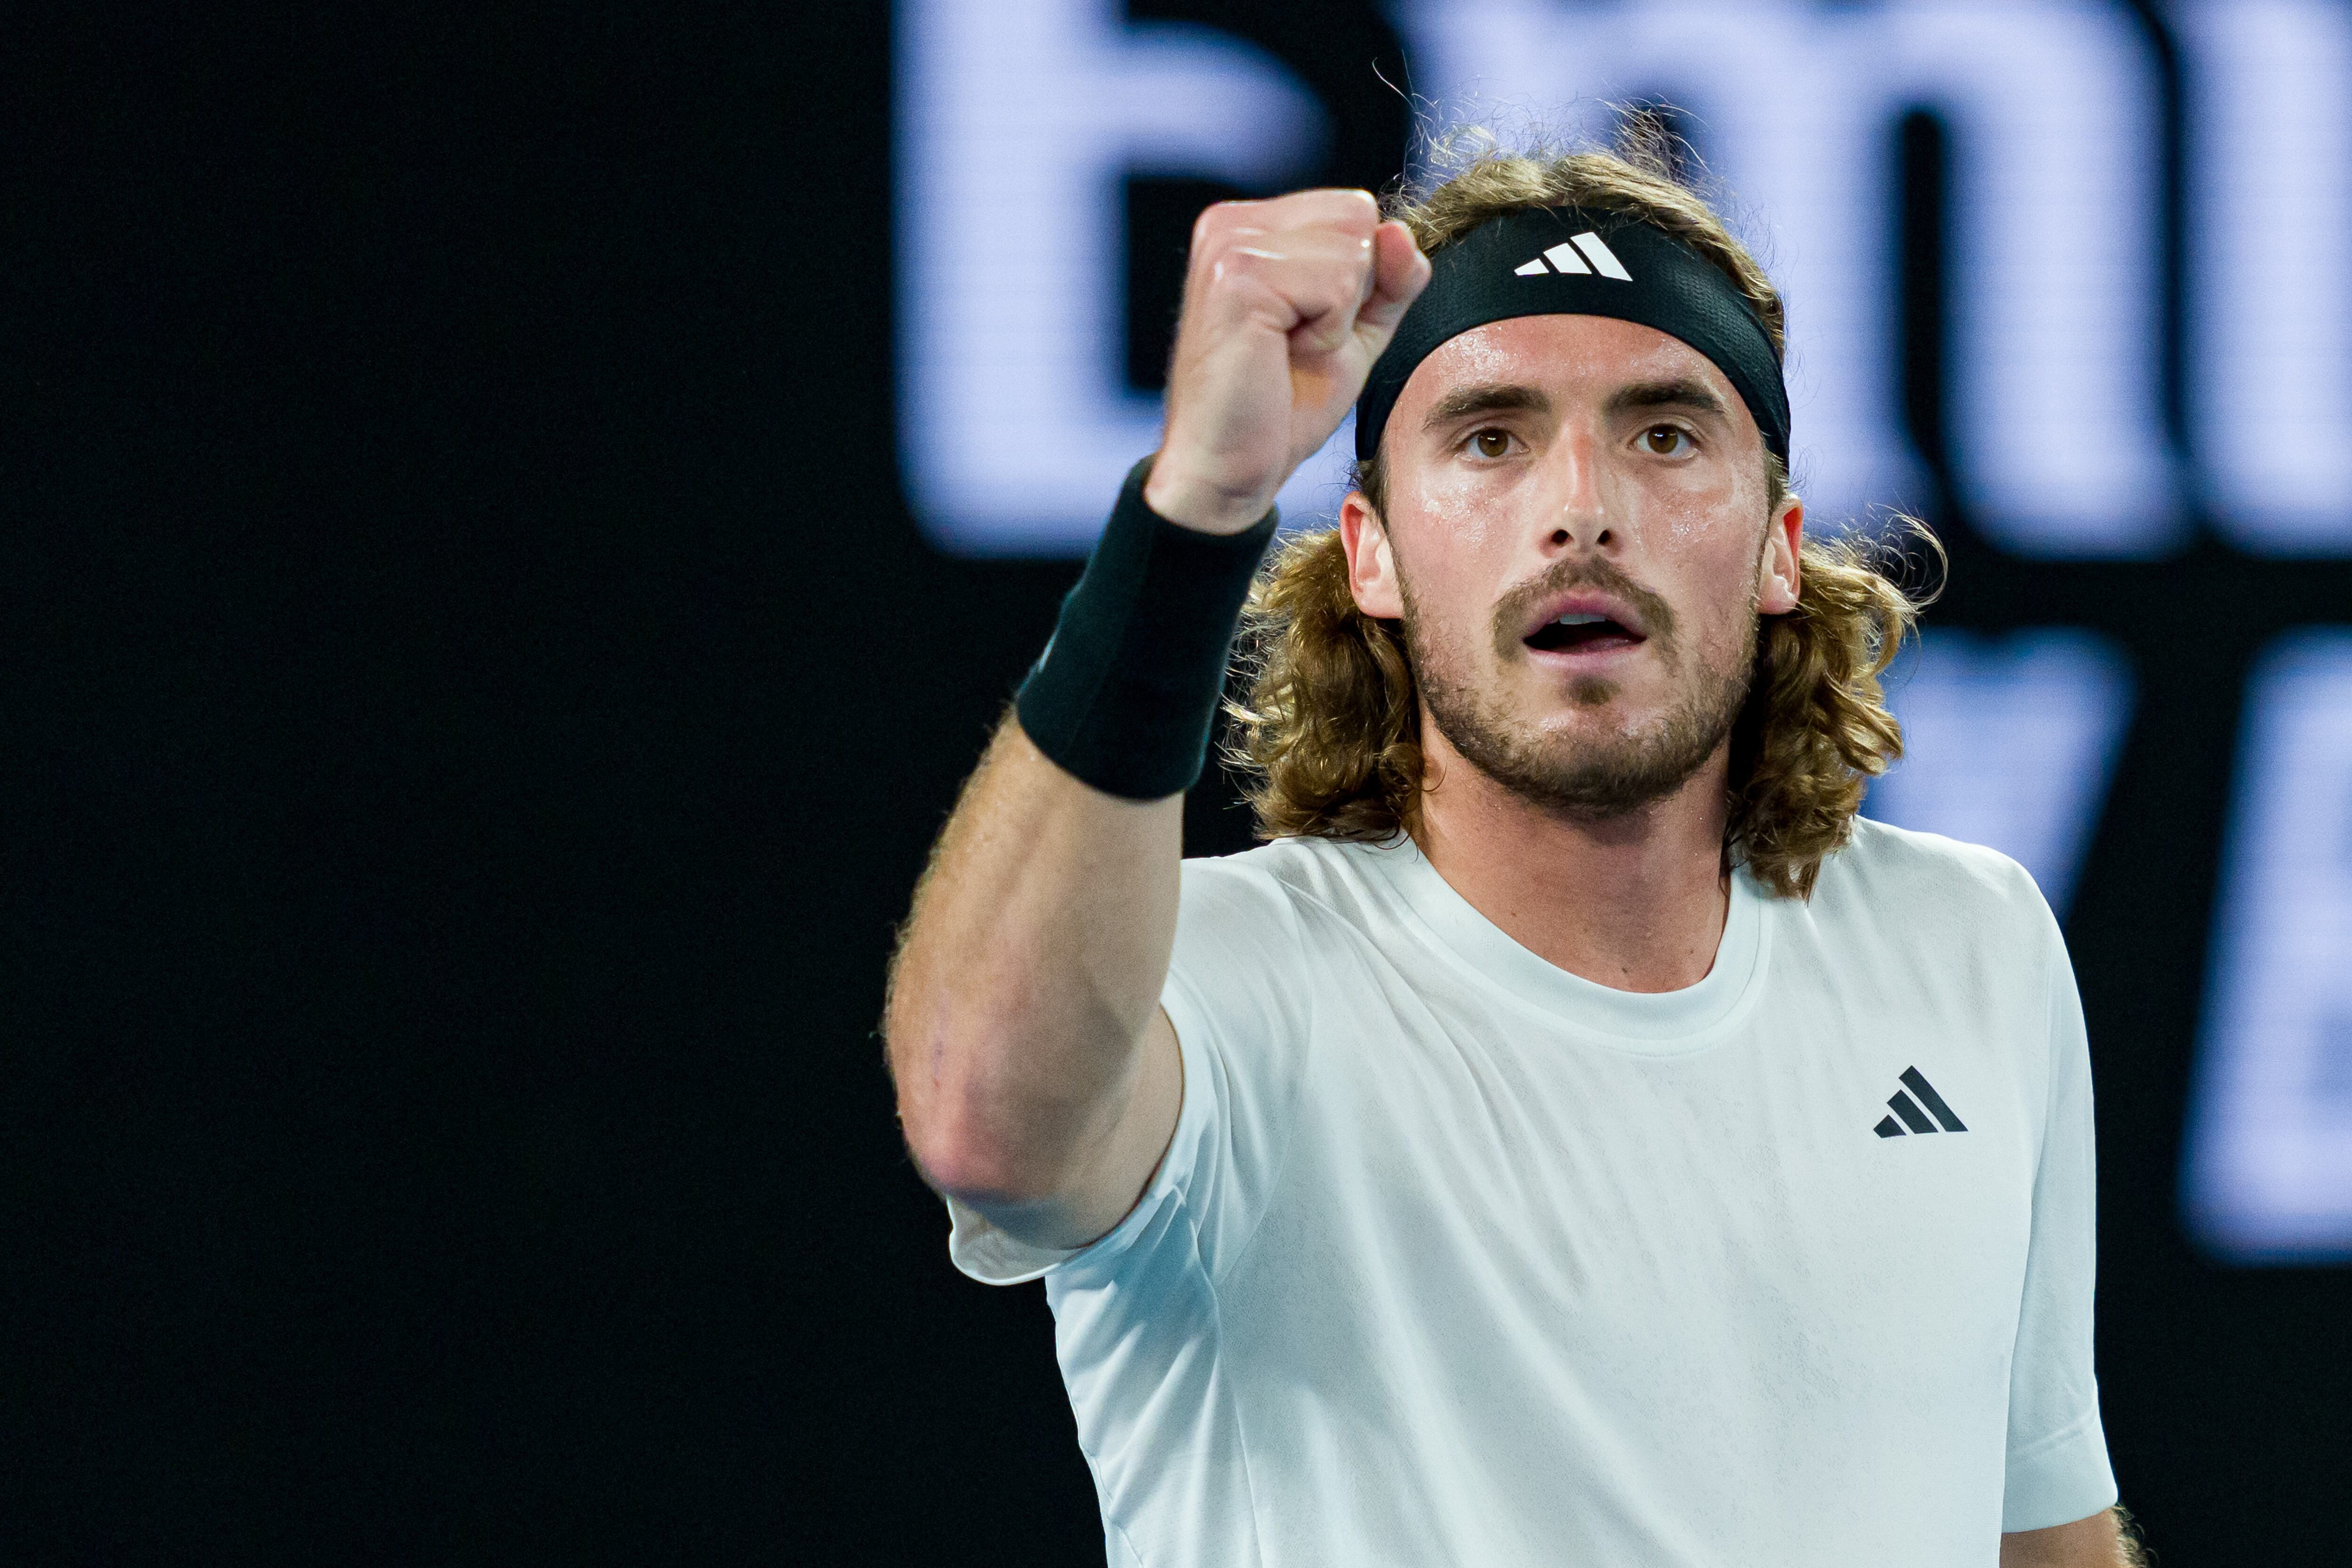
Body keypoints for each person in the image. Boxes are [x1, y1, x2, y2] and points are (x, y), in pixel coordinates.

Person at [885, 132, 2145, 1567]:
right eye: (1491, 438)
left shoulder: (1971, 946)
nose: (1582, 507)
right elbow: (981, 1122)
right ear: (1369, 554)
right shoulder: (1214, 987)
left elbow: (2041, 1534)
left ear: (1780, 546)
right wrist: (1196, 508)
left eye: (1665, 431)